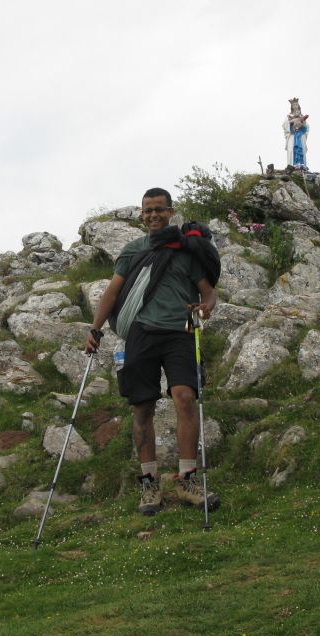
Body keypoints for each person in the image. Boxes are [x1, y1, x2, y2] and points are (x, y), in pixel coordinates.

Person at [84, 187, 220, 516]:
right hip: (141, 333)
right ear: (141, 215)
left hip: (180, 332)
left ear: (171, 212)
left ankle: (187, 480)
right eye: (148, 211)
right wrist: (95, 328)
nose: (153, 215)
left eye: (159, 209)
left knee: (186, 398)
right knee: (142, 408)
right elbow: (113, 292)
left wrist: (206, 307)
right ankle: (149, 484)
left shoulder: (186, 252)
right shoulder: (133, 251)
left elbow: (209, 292)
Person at [284, 97, 310, 170]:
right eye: (294, 105)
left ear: (298, 106)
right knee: (291, 149)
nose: (295, 106)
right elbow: (285, 125)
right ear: (291, 107)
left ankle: (302, 164)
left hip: (300, 135)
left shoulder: (302, 116)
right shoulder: (288, 116)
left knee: (301, 149)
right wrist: (292, 121)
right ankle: (291, 166)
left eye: (296, 105)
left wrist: (302, 124)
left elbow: (307, 127)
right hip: (292, 135)